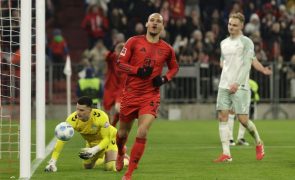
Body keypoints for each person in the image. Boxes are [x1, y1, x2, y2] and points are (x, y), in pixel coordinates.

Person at [115, 13, 179, 179]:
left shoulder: (167, 49)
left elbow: (174, 68)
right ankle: (121, 153)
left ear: (162, 27)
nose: (155, 24)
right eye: (152, 20)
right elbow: (120, 63)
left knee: (142, 131)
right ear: (146, 24)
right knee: (122, 134)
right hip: (130, 94)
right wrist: (138, 71)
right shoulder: (133, 41)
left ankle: (129, 174)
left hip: (150, 96)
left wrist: (164, 78)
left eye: (159, 22)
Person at [214, 12, 264, 162]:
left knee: (242, 120)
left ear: (241, 26)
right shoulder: (223, 43)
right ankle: (226, 154)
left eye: (235, 25)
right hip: (224, 85)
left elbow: (247, 64)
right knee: (222, 116)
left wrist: (237, 82)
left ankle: (259, 142)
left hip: (240, 86)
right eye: (230, 24)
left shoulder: (247, 42)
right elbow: (223, 62)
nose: (231, 27)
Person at [44, 96, 124, 172]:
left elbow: (106, 138)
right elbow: (62, 140)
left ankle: (123, 159)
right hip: (91, 144)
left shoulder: (101, 117)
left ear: (90, 110)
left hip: (109, 140)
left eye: (82, 110)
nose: (78, 113)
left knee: (110, 167)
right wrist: (53, 161)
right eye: (77, 109)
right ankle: (105, 157)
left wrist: (94, 150)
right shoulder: (72, 119)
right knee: (87, 167)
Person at [228, 59, 272, 146]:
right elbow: (223, 63)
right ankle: (230, 139)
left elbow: (254, 60)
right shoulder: (229, 46)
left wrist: (263, 69)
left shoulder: (248, 47)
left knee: (244, 115)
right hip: (232, 85)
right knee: (231, 112)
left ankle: (241, 138)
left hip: (245, 87)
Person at [103, 42, 126, 127]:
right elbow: (107, 57)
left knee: (118, 108)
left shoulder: (128, 60)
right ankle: (108, 127)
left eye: (122, 50)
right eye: (119, 50)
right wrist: (111, 50)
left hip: (121, 88)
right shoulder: (112, 58)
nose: (120, 52)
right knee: (106, 110)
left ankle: (113, 124)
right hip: (110, 87)